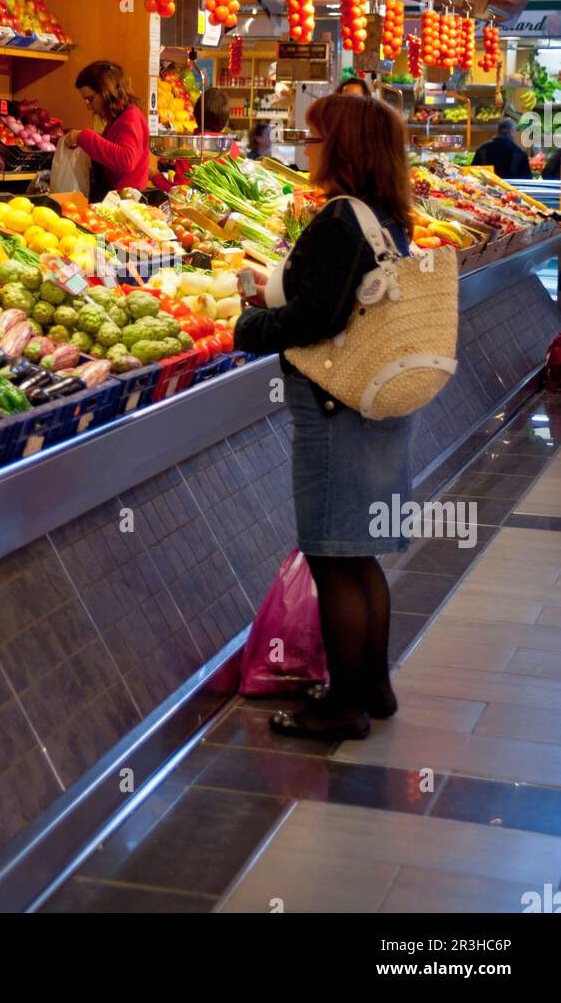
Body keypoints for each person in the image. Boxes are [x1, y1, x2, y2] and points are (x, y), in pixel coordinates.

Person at [235, 94, 416, 741]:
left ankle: (343, 705)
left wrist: (250, 325)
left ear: (341, 146)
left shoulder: (341, 218)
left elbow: (317, 317)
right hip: (379, 399)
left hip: (337, 405)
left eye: (314, 138)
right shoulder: (389, 218)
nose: (306, 147)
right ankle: (374, 686)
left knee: (330, 553)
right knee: (359, 552)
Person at [63, 60, 150, 198]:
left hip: (126, 204)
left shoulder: (131, 117)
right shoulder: (118, 118)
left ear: (106, 92)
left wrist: (83, 137)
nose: (89, 107)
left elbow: (126, 160)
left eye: (90, 99)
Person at [150, 88, 239, 191]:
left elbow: (181, 192)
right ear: (226, 120)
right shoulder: (232, 147)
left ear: (196, 114)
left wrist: (155, 177)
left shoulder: (190, 147)